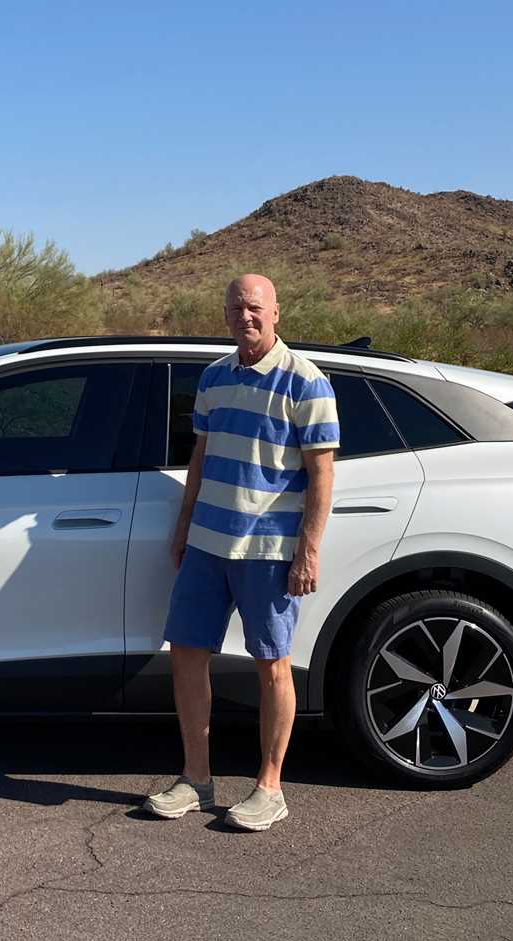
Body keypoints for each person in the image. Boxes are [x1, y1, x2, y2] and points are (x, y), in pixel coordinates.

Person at [144, 273, 339, 831]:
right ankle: (196, 779)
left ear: (276, 311)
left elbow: (322, 474)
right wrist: (184, 524)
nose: (244, 316)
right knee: (186, 651)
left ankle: (269, 787)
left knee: (272, 665)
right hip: (208, 541)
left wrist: (309, 551)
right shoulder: (213, 377)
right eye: (235, 308)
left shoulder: (307, 383)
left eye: (254, 307)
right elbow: (201, 457)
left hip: (270, 547)